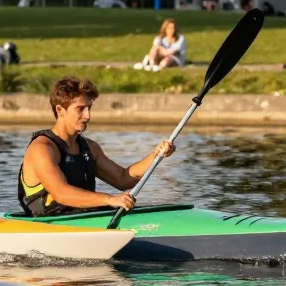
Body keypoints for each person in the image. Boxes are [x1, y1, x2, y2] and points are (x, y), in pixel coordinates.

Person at [17, 77, 175, 216]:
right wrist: (110, 199)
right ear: (60, 110)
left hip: (82, 217)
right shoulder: (42, 148)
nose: (88, 115)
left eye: (89, 108)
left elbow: (123, 179)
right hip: (47, 222)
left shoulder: (90, 148)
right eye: (80, 109)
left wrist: (156, 155)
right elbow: (61, 193)